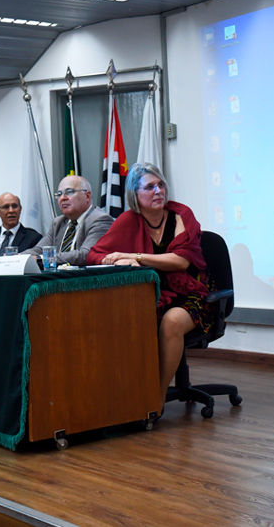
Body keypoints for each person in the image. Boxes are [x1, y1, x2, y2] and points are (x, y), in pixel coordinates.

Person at [87, 163, 213, 404]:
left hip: (192, 293)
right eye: (150, 187)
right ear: (135, 194)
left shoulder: (181, 215)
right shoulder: (128, 220)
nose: (158, 191)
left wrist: (136, 256)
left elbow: (181, 262)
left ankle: (157, 395)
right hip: (151, 294)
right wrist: (118, 261)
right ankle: (123, 395)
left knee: (172, 321)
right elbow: (94, 254)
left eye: (161, 185)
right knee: (119, 319)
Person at [21, 175, 114, 266]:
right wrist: (17, 258)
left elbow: (86, 255)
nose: (63, 198)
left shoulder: (100, 220)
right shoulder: (58, 222)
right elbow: (39, 249)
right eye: (59, 194)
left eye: (69, 192)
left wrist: (42, 258)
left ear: (87, 196)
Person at [0, 192, 42, 261]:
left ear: (20, 209)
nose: (11, 210)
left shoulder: (33, 237)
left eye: (14, 206)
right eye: (6, 207)